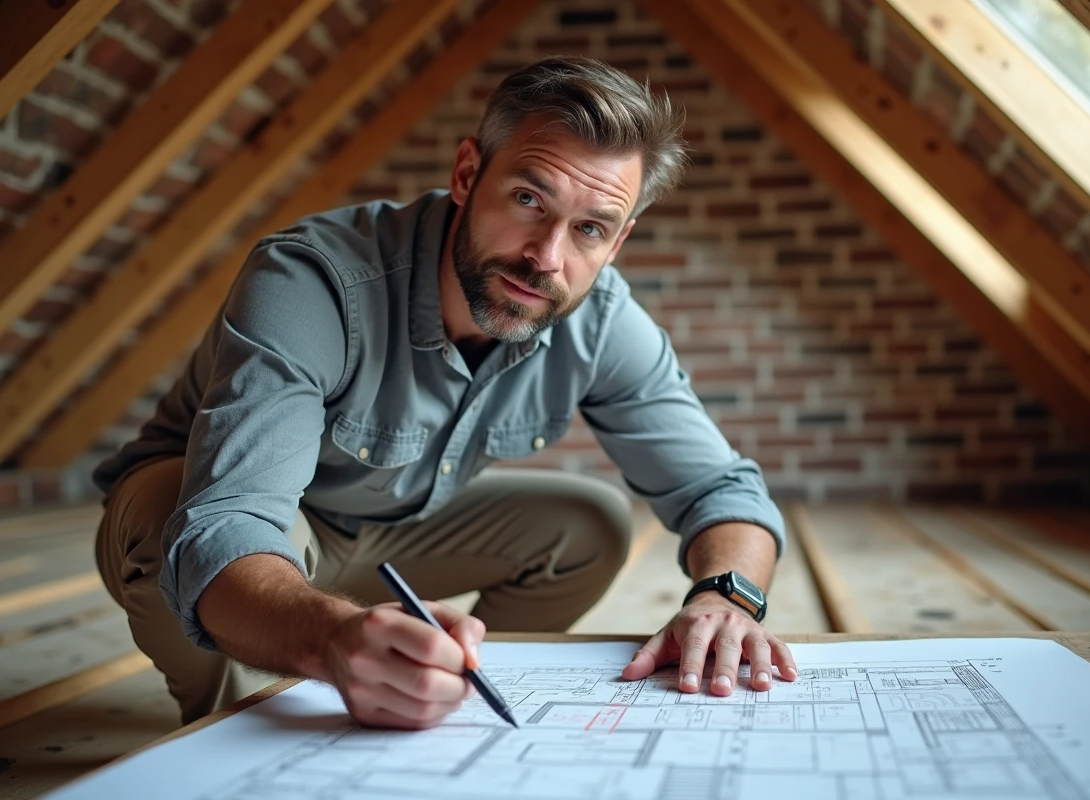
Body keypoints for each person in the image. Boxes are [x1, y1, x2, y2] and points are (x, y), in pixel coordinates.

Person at [93, 55, 798, 730]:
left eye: (589, 229)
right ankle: (236, 727)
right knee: (167, 521)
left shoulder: (602, 317)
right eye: (528, 199)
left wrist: (726, 595)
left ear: (616, 244)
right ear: (467, 173)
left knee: (591, 523)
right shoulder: (313, 281)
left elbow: (724, 490)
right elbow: (228, 523)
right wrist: (331, 637)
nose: (547, 257)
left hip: (386, 538)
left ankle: (438, 684)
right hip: (239, 536)